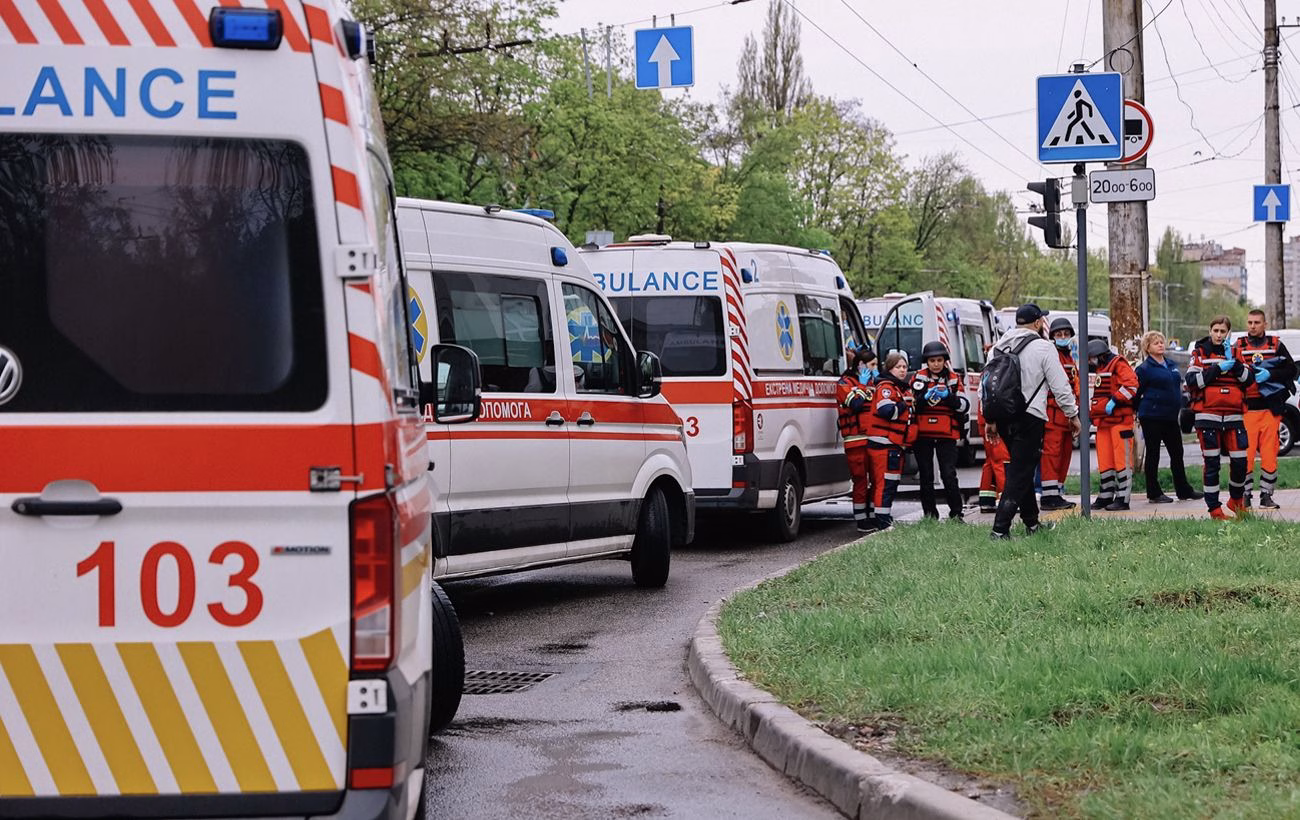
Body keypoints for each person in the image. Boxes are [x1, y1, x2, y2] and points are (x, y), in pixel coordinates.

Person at [986, 304, 1081, 540]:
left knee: (1022, 468)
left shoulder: (997, 346)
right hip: (1031, 415)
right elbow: (1060, 386)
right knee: (1019, 472)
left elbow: (986, 386)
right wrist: (1073, 414)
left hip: (1003, 415)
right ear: (1038, 323)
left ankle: (1032, 523)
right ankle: (999, 529)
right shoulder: (1043, 347)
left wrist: (990, 419)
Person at [1186, 316, 1253, 519]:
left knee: (1241, 462)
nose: (1218, 335)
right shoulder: (1200, 353)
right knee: (1212, 463)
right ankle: (1214, 508)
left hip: (1234, 415)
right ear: (1210, 330)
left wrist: (1235, 365)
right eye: (1215, 330)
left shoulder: (1236, 353)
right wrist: (1217, 368)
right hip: (1208, 415)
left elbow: (1248, 380)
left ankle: (1236, 500)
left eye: (1223, 331)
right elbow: (1192, 381)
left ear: (1229, 333)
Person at [1232, 309, 1297, 509]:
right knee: (1246, 454)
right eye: (1250, 322)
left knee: (1270, 453)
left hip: (1270, 409)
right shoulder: (1239, 346)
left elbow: (1292, 370)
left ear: (1265, 324)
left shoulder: (1275, 345)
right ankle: (1245, 495)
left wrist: (1270, 374)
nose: (1252, 326)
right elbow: (1230, 370)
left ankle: (1266, 496)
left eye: (1257, 322)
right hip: (1247, 410)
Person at [1134, 330, 1201, 503]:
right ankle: (1154, 492)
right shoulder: (1144, 369)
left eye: (1162, 342)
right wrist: (1137, 412)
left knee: (1177, 452)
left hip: (1170, 416)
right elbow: (1136, 392)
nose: (1160, 345)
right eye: (1156, 343)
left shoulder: (1171, 364)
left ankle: (1183, 489)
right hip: (1152, 415)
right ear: (1148, 348)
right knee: (1153, 453)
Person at [910, 340, 967, 520]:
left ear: (945, 361)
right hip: (923, 434)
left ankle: (956, 513)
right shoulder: (917, 378)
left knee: (949, 474)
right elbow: (911, 406)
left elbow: (964, 405)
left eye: (939, 360)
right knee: (926, 475)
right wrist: (923, 398)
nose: (936, 364)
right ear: (926, 361)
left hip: (946, 433)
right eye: (932, 360)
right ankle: (930, 515)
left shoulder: (953, 379)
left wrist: (949, 397)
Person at [1087, 339, 1139, 511]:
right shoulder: (1102, 368)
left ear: (1099, 355)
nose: (1090, 362)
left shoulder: (1118, 364)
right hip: (1104, 422)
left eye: (1091, 358)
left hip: (1120, 422)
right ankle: (1106, 495)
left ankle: (1123, 498)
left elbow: (1132, 386)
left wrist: (1115, 400)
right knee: (1105, 460)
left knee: (1122, 461)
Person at [865, 352, 914, 530]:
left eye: (904, 367)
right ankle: (883, 521)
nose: (902, 370)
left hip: (891, 443)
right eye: (898, 367)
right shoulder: (887, 387)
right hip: (884, 443)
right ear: (889, 368)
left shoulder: (898, 388)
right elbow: (886, 411)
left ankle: (878, 517)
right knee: (886, 483)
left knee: (884, 483)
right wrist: (905, 404)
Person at [1039, 317, 1081, 510]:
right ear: (1053, 337)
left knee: (1064, 455)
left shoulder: (1069, 358)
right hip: (1053, 416)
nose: (1063, 337)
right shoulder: (1052, 355)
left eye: (1066, 334)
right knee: (1052, 455)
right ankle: (1048, 497)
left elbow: (1075, 387)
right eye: (1059, 334)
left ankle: (1058, 492)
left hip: (1067, 417)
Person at [837, 347, 880, 533]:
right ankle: (861, 520)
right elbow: (854, 405)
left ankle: (873, 515)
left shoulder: (873, 382)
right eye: (873, 365)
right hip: (855, 439)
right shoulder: (844, 383)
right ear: (861, 365)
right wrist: (862, 387)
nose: (876, 368)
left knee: (877, 480)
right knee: (861, 480)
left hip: (873, 438)